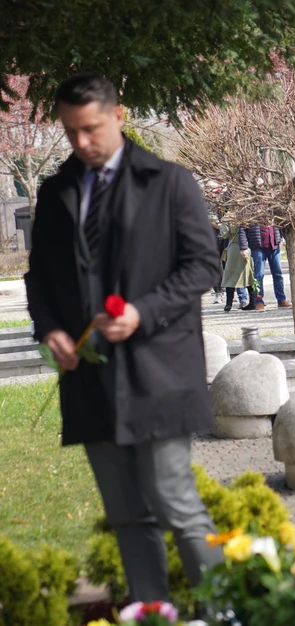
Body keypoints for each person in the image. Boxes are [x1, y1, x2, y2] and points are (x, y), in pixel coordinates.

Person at [24, 72, 223, 602]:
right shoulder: (56, 190)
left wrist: (142, 312)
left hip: (159, 369)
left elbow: (204, 266)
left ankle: (226, 612)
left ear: (118, 116)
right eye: (70, 132)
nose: (81, 142)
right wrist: (50, 331)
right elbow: (39, 277)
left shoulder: (171, 181)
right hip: (89, 376)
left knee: (176, 502)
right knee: (126, 515)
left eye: (91, 129)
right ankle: (151, 613)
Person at [238, 222, 291, 310]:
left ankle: (281, 300)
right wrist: (243, 248)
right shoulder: (249, 210)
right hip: (258, 247)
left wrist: (285, 239)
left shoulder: (272, 208)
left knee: (278, 274)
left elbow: (281, 223)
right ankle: (258, 301)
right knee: (259, 275)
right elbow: (242, 229)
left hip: (274, 245)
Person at [220, 220, 257, 311]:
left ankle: (229, 304)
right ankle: (252, 302)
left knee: (230, 275)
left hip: (234, 247)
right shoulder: (249, 214)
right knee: (249, 275)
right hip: (248, 247)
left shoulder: (229, 217)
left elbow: (225, 234)